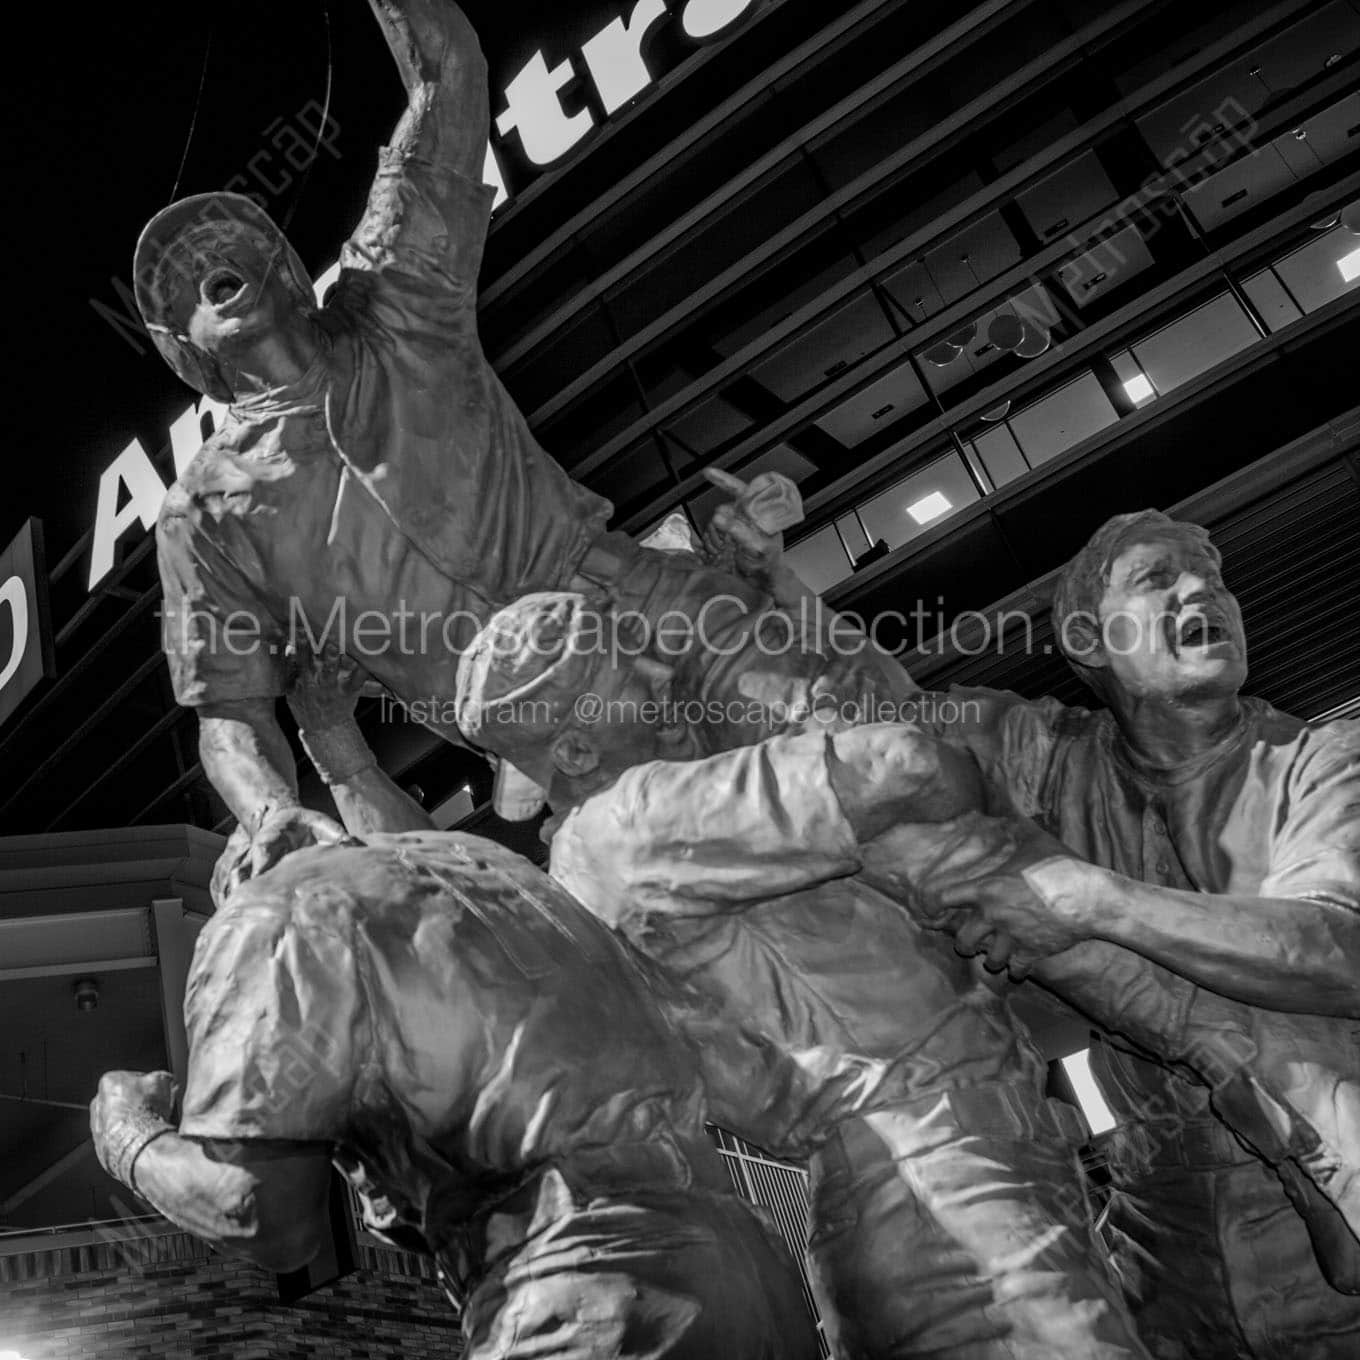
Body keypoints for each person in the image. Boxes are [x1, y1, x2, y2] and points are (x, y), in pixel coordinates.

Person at [141, 0, 910, 880]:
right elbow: (228, 711)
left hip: (642, 601)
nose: (208, 271)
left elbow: (450, 73)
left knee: (864, 765)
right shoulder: (200, 515)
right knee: (691, 927)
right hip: (536, 725)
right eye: (178, 289)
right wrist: (271, 812)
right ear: (181, 345)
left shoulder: (394, 299)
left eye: (229, 248)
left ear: (283, 267)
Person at [442, 593, 1151, 1359]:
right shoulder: (633, 816)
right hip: (951, 1178)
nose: (658, 669)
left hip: (909, 1193)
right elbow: (907, 764)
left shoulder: (586, 866)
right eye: (627, 670)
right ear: (578, 752)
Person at [754, 506, 1360, 1359]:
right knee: (902, 807)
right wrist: (771, 581)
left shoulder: (1323, 759)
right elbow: (879, 712)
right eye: (1158, 578)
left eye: (1214, 578)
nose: (1202, 591)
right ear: (1088, 637)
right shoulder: (1047, 750)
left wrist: (1089, 898)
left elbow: (1338, 952)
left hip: (1335, 1220)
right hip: (1165, 1242)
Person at [90, 827, 819, 1357]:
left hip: (592, 1292)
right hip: (754, 1279)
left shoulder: (273, 918)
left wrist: (128, 1136)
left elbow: (259, 1213)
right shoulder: (495, 877)